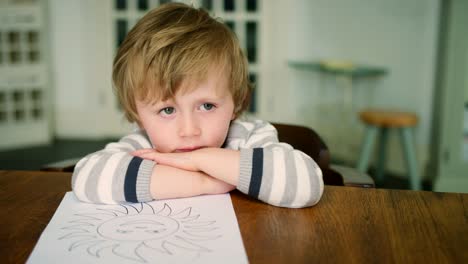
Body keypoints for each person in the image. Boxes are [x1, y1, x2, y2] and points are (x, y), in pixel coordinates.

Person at [72, 2, 323, 208]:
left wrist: (203, 159)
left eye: (207, 106)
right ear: (139, 116)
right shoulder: (145, 144)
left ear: (235, 102)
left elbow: (307, 184)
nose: (189, 130)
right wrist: (203, 183)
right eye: (167, 110)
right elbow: (86, 177)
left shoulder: (249, 137)